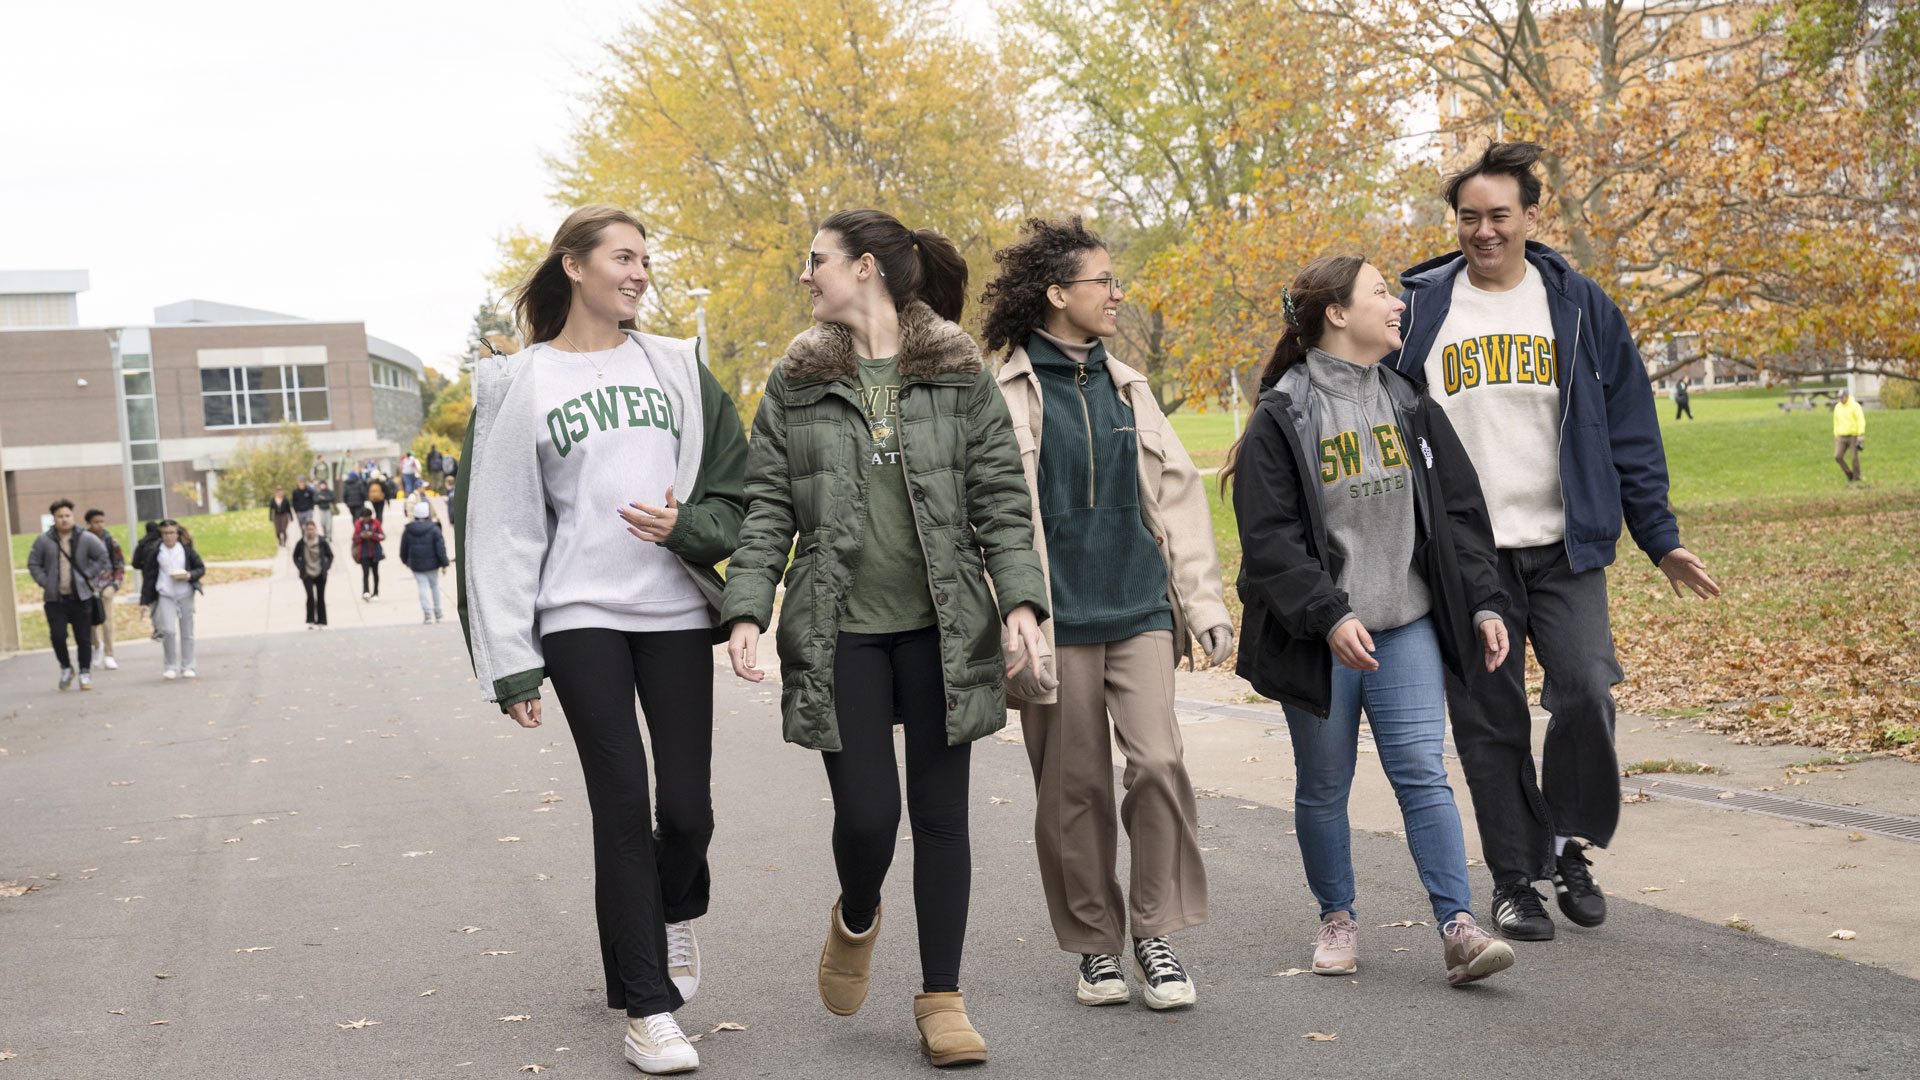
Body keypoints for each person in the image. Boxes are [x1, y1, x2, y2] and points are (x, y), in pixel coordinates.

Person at [721, 208, 1048, 1069]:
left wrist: (1019, 601)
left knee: (941, 820)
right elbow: (766, 507)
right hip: (842, 632)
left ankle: (942, 997)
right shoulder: (794, 381)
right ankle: (857, 911)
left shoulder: (956, 371)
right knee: (869, 815)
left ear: (864, 268)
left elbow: (999, 497)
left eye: (816, 260)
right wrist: (748, 605)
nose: (806, 274)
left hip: (942, 627)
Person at [1387, 142, 1720, 941]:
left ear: (1532, 217)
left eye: (1500, 214)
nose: (1484, 230)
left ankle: (1568, 843)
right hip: (1468, 558)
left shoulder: (1579, 306)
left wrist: (1658, 537)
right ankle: (1513, 881)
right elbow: (1358, 379)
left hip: (1564, 547)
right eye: (1469, 217)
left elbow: (1631, 429)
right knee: (1488, 718)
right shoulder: (1422, 309)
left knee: (1584, 688)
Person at [455, 203, 748, 1075]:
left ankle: (673, 913)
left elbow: (735, 491)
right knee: (621, 803)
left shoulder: (676, 369)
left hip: (673, 612)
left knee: (685, 808)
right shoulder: (520, 383)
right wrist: (511, 661)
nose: (640, 272)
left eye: (646, 260)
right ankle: (648, 1009)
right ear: (573, 267)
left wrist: (689, 525)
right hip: (578, 614)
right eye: (624, 256)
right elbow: (499, 529)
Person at [1226, 255, 1518, 987]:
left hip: (1408, 622)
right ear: (1336, 313)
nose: (1397, 303)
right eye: (1381, 291)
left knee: (1422, 773)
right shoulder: (1283, 415)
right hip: (1322, 636)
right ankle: (1337, 917)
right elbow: (1270, 541)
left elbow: (1459, 516)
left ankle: (1458, 928)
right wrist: (1327, 616)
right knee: (1325, 784)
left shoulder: (1409, 403)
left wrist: (1482, 598)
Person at [980, 216, 1232, 1010]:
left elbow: (1177, 496)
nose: (1118, 293)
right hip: (1054, 621)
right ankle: (1095, 947)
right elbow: (991, 512)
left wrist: (1203, 602)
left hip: (1138, 607)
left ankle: (1154, 933)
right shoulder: (1006, 391)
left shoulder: (1130, 385)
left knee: (1158, 764)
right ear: (1058, 294)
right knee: (1074, 788)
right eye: (1103, 282)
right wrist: (1009, 612)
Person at [27, 499, 110, 691]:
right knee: (57, 636)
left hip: (81, 598)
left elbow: (102, 557)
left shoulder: (85, 538)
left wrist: (88, 575)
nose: (64, 520)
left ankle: (84, 673)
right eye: (59, 516)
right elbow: (33, 563)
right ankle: (66, 667)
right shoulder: (44, 540)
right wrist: (45, 581)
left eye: (67, 515)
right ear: (53, 518)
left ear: (72, 517)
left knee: (83, 638)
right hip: (55, 599)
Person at [138, 519, 205, 680]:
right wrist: (144, 601)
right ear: (161, 535)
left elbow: (200, 568)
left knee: (187, 631)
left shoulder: (186, 551)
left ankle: (188, 665)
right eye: (165, 533)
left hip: (185, 593)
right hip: (166, 594)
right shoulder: (156, 551)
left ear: (177, 533)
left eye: (172, 533)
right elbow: (149, 576)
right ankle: (170, 666)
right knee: (168, 630)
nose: (169, 536)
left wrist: (189, 575)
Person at [84, 509, 126, 671]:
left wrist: (115, 584)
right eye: (96, 522)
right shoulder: (82, 542)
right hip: (88, 587)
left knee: (107, 621)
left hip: (107, 586)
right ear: (89, 523)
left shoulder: (110, 541)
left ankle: (109, 655)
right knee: (90, 622)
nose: (100, 525)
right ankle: (97, 646)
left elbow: (119, 565)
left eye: (102, 521)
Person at [399, 501, 449, 623]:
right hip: (433, 564)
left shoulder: (409, 530)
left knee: (422, 587)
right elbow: (440, 548)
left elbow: (403, 547)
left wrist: (405, 560)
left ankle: (427, 614)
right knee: (435, 586)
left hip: (416, 564)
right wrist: (444, 563)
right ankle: (438, 613)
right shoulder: (434, 529)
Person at [292, 518, 333, 628]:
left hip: (320, 573)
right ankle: (310, 620)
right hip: (307, 573)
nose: (310, 531)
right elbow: (295, 556)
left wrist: (326, 567)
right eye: (308, 529)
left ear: (315, 529)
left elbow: (330, 555)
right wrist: (300, 567)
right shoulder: (301, 543)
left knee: (320, 597)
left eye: (312, 529)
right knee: (310, 596)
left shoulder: (322, 541)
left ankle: (321, 621)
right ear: (305, 530)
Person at [351, 507, 385, 600]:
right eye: (364, 517)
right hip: (363, 553)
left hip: (375, 552)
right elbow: (354, 538)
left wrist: (372, 535)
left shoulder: (375, 523)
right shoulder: (358, 524)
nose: (366, 519)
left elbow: (382, 536)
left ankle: (376, 592)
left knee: (375, 573)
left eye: (368, 517)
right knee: (365, 573)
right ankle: (366, 591)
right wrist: (361, 536)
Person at [1833, 388, 1865, 483]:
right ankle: (1849, 474)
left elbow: (1860, 420)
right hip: (1841, 436)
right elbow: (1836, 421)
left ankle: (1856, 477)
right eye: (1839, 398)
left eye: (1842, 397)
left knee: (1854, 458)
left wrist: (1860, 434)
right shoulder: (1837, 407)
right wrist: (1836, 434)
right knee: (1838, 456)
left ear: (1847, 396)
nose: (1841, 399)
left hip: (1853, 436)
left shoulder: (1855, 406)